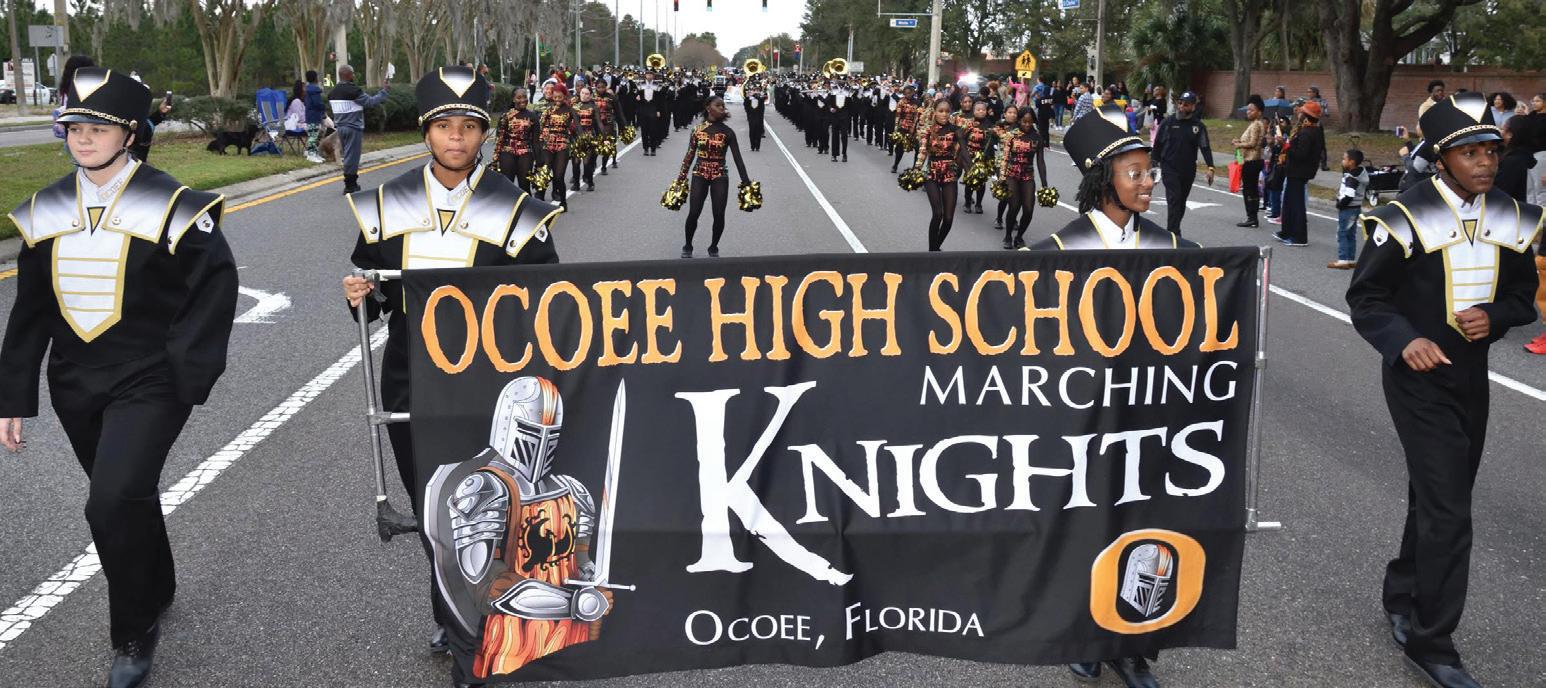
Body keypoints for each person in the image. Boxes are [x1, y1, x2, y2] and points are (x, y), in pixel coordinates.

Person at [1, 67, 238, 688]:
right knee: (126, 495)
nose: (83, 138)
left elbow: (214, 287)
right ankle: (156, 582)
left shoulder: (176, 205)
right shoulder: (45, 208)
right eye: (74, 126)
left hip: (150, 379)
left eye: (98, 127)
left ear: (130, 134)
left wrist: (187, 373)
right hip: (74, 381)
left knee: (109, 501)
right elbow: (30, 310)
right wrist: (12, 395)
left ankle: (133, 633)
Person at [340, 67, 562, 688]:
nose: (456, 138)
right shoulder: (385, 204)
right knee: (430, 504)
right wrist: (359, 294)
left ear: (484, 135)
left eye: (468, 127)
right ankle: (451, 609)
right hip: (410, 375)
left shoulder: (518, 211)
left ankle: (479, 627)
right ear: (427, 133)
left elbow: (549, 297)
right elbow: (370, 286)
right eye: (444, 126)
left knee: (479, 506)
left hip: (488, 380)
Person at [1347, 91, 1541, 688]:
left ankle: (1403, 593)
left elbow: (1521, 298)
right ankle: (1432, 644)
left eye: (1491, 150)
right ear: (1440, 159)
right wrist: (1404, 340)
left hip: (1471, 377)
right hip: (1417, 378)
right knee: (1450, 509)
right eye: (1470, 153)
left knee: (1438, 497)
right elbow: (1367, 297)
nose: (1485, 162)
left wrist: (1496, 316)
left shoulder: (1511, 214)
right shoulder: (1404, 215)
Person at [1030, 104, 1195, 253]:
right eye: (1136, 174)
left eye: (1151, 172)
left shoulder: (1174, 250)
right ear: (1103, 179)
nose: (1150, 183)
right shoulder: (1057, 254)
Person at [675, 96, 751, 259]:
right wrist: (680, 179)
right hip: (699, 173)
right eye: (718, 105)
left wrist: (746, 182)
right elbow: (689, 155)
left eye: (723, 105)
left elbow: (738, 159)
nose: (722, 108)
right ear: (708, 107)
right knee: (694, 212)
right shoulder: (698, 130)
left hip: (720, 174)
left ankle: (714, 246)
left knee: (719, 214)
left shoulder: (728, 132)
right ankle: (688, 245)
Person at [1151, 91, 1216, 238]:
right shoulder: (1168, 123)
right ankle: (1173, 234)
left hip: (1188, 169)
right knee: (1174, 199)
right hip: (1169, 167)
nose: (1181, 106)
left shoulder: (1198, 126)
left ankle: (1174, 229)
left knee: (1181, 202)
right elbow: (1157, 145)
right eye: (1180, 103)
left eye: (1186, 104)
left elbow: (1205, 147)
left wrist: (1210, 167)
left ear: (1193, 107)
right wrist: (1154, 166)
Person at [913, 99, 969, 251]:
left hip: (950, 174)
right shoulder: (928, 130)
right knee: (938, 214)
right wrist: (916, 169)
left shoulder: (956, 130)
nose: (944, 114)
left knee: (948, 219)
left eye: (947, 111)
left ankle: (936, 247)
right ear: (935, 112)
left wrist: (971, 170)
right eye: (941, 111)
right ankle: (932, 252)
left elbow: (964, 151)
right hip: (931, 174)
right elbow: (922, 152)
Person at [327, 64, 389, 194]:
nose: (354, 75)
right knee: (353, 157)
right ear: (349, 75)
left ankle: (350, 183)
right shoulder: (354, 91)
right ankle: (350, 185)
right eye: (353, 73)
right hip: (353, 128)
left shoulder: (333, 93)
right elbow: (370, 102)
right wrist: (384, 91)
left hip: (340, 128)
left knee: (347, 155)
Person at [1275, 100, 1324, 247]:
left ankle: (1299, 237)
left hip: (1299, 172)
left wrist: (1285, 145)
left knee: (1296, 205)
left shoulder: (1309, 133)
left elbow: (1301, 154)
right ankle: (1287, 232)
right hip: (1295, 171)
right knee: (1289, 203)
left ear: (1307, 115)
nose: (1299, 113)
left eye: (1302, 112)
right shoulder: (1308, 130)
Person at [999, 107, 1048, 249]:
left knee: (1028, 209)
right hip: (1011, 174)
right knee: (1014, 206)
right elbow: (1005, 158)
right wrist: (1002, 178)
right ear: (1019, 120)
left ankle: (1019, 236)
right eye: (1024, 121)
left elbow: (1040, 161)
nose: (1027, 124)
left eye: (1030, 122)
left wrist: (1044, 184)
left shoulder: (1037, 137)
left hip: (1028, 175)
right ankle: (1008, 235)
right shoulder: (1011, 135)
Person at [538, 83, 580, 210]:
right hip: (548, 144)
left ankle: (563, 202)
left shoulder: (570, 110)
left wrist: (582, 138)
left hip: (563, 144)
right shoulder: (548, 110)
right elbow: (540, 126)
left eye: (560, 97)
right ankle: (540, 199)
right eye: (555, 97)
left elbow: (578, 126)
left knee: (559, 176)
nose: (557, 100)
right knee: (545, 172)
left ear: (564, 96)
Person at [493, 88, 540, 193]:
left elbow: (536, 141)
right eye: (519, 97)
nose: (522, 100)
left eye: (525, 97)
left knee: (524, 186)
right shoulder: (506, 116)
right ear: (513, 99)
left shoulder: (533, 116)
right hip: (507, 151)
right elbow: (499, 138)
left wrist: (539, 162)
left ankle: (525, 204)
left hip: (525, 152)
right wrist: (496, 158)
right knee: (507, 187)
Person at [1231, 95, 1267, 227]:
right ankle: (1252, 217)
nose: (1248, 112)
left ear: (1259, 112)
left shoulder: (1257, 124)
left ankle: (1252, 218)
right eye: (1248, 109)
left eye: (1252, 110)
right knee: (1251, 189)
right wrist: (1239, 141)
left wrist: (1238, 145)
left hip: (1252, 161)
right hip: (1251, 161)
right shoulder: (1255, 124)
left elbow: (1252, 143)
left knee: (1249, 190)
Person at [1329, 148, 1368, 269]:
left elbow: (1349, 195)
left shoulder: (1352, 177)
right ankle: (1351, 259)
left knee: (1342, 233)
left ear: (1351, 162)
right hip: (1356, 208)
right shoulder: (1359, 173)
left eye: (1344, 159)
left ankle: (1343, 260)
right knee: (1351, 234)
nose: (1342, 161)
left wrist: (1340, 204)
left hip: (1348, 209)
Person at [961, 101, 994, 214]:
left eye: (983, 110)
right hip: (969, 156)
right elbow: (961, 138)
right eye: (978, 110)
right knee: (969, 180)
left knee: (981, 181)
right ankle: (967, 203)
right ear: (973, 111)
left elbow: (993, 140)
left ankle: (979, 204)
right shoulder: (969, 124)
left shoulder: (990, 124)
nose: (981, 112)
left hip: (983, 158)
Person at [568, 86, 603, 193]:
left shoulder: (594, 107)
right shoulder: (574, 107)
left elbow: (599, 122)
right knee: (576, 162)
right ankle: (576, 183)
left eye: (587, 94)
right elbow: (572, 122)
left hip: (589, 137)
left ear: (591, 95)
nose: (584, 95)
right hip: (577, 137)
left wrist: (605, 137)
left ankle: (590, 182)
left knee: (587, 162)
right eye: (582, 93)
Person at [891, 85, 921, 173]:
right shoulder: (901, 102)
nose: (908, 95)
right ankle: (895, 165)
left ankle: (914, 168)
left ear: (913, 93)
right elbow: (898, 115)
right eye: (906, 93)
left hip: (914, 128)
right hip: (903, 127)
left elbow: (917, 116)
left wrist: (914, 128)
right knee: (900, 148)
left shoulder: (917, 102)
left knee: (918, 149)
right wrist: (896, 128)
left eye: (909, 93)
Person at [636, 70, 665, 156]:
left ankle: (653, 149)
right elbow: (637, 96)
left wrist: (658, 110)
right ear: (645, 75)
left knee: (653, 130)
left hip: (653, 107)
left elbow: (660, 99)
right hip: (643, 108)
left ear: (653, 76)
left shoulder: (657, 85)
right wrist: (637, 98)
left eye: (650, 75)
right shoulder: (640, 84)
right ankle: (645, 148)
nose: (649, 76)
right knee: (644, 130)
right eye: (647, 74)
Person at [744, 77, 767, 152]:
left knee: (758, 132)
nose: (756, 91)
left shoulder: (761, 97)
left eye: (758, 90)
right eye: (755, 90)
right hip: (752, 116)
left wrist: (758, 95)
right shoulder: (750, 97)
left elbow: (763, 98)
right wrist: (749, 97)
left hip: (759, 116)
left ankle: (757, 146)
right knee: (752, 132)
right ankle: (752, 146)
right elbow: (746, 105)